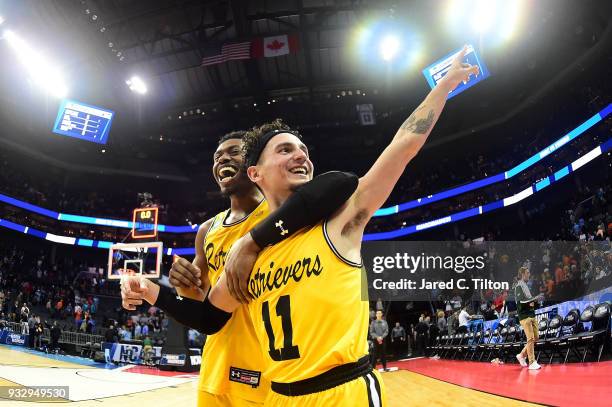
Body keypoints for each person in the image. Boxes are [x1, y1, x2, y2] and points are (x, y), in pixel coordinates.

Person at [128, 45, 477, 406]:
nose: (300, 155)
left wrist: (444, 85)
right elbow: (208, 318)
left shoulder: (339, 222)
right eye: (284, 150)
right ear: (255, 173)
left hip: (344, 391)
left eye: (303, 150)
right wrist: (152, 291)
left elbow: (403, 145)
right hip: (280, 398)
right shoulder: (247, 258)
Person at [121, 131, 358, 407]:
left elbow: (339, 185)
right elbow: (198, 306)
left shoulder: (284, 214)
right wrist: (175, 283)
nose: (223, 158)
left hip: (267, 375)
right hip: (215, 370)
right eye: (217, 156)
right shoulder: (206, 230)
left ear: (256, 166)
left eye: (234, 152)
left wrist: (251, 241)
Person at [515, 267, 543, 370]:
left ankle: (522, 355)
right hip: (524, 316)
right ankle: (532, 362)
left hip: (531, 314)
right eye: (527, 273)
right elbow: (522, 302)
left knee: (536, 338)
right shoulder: (518, 287)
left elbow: (529, 301)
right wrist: (535, 298)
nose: (529, 275)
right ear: (522, 274)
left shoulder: (526, 286)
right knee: (530, 338)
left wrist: (535, 301)